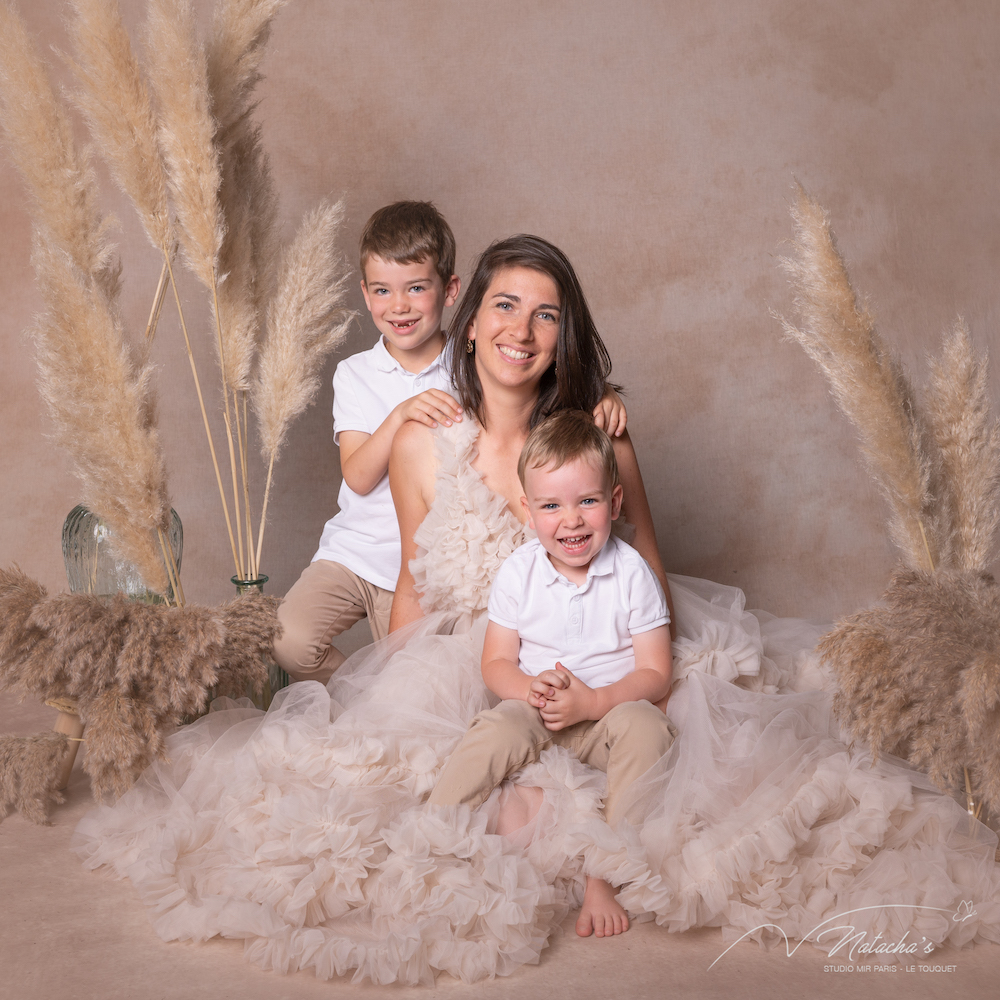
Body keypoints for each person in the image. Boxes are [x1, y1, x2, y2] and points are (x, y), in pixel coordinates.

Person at [74, 236, 1000, 986]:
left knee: (708, 763)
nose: (523, 328)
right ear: (469, 320)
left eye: (547, 314)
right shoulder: (424, 442)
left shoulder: (598, 435)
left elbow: (648, 573)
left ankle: (601, 846)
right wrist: (392, 693)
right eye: (506, 305)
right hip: (477, 650)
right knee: (406, 778)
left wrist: (611, 683)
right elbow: (412, 583)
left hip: (607, 643)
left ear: (565, 336)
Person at [274, 203, 627, 683]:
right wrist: (401, 415)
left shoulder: (470, 368)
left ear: (450, 294)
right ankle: (352, 698)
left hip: (436, 567)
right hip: (364, 553)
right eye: (382, 290)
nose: (399, 305)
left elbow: (532, 383)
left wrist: (599, 393)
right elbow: (357, 477)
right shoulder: (359, 376)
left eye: (416, 288)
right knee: (319, 652)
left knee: (414, 671)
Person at [429, 409, 676, 938]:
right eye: (550, 505)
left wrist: (594, 702)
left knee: (648, 727)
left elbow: (657, 671)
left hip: (606, 714)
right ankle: (432, 834)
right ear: (527, 510)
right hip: (537, 711)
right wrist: (527, 688)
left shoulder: (631, 573)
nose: (571, 520)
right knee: (495, 728)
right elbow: (495, 661)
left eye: (587, 501)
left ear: (613, 502)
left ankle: (603, 876)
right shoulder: (520, 572)